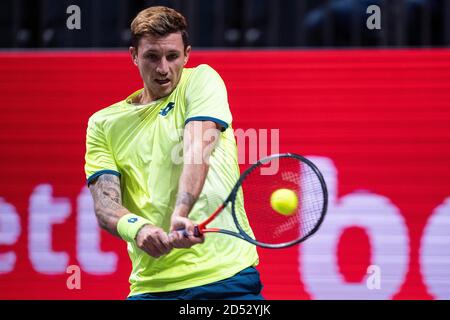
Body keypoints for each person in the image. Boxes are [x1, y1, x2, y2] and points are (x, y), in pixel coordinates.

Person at [84, 6, 263, 300]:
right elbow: (105, 205)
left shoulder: (201, 80)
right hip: (152, 288)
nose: (163, 68)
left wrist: (181, 212)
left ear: (187, 54)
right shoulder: (103, 124)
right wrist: (137, 228)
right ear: (133, 56)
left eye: (172, 56)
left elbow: (197, 147)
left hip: (227, 280)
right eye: (151, 57)